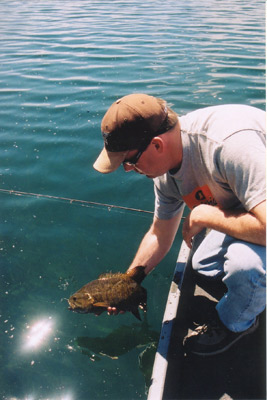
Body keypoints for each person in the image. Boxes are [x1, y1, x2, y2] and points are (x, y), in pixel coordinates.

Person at [93, 93, 266, 356]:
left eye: (129, 161)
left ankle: (237, 324)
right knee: (203, 264)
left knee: (245, 268)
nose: (127, 169)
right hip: (252, 207)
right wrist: (127, 284)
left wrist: (206, 216)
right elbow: (160, 233)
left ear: (157, 145)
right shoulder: (165, 173)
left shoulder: (229, 145)